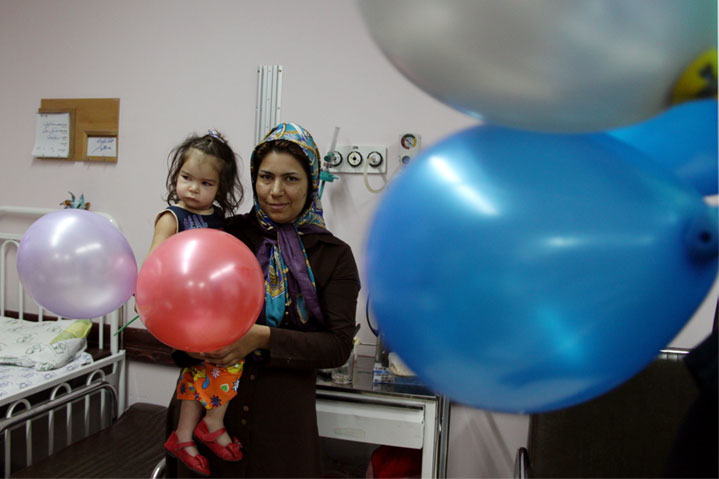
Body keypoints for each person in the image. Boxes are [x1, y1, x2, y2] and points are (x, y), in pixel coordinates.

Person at [166, 122, 361, 478]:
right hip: (204, 424)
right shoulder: (226, 235)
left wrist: (261, 338)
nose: (275, 191)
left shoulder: (333, 255)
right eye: (266, 177)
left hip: (281, 429)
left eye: (291, 179)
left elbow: (337, 347)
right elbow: (182, 312)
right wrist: (191, 344)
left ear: (311, 182)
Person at [150, 130, 245, 477]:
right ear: (176, 175)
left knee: (197, 371)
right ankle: (213, 423)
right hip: (182, 312)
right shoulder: (171, 218)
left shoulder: (218, 221)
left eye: (206, 183)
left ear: (221, 189)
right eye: (186, 177)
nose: (192, 188)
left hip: (209, 309)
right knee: (228, 363)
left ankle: (184, 434)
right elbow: (154, 266)